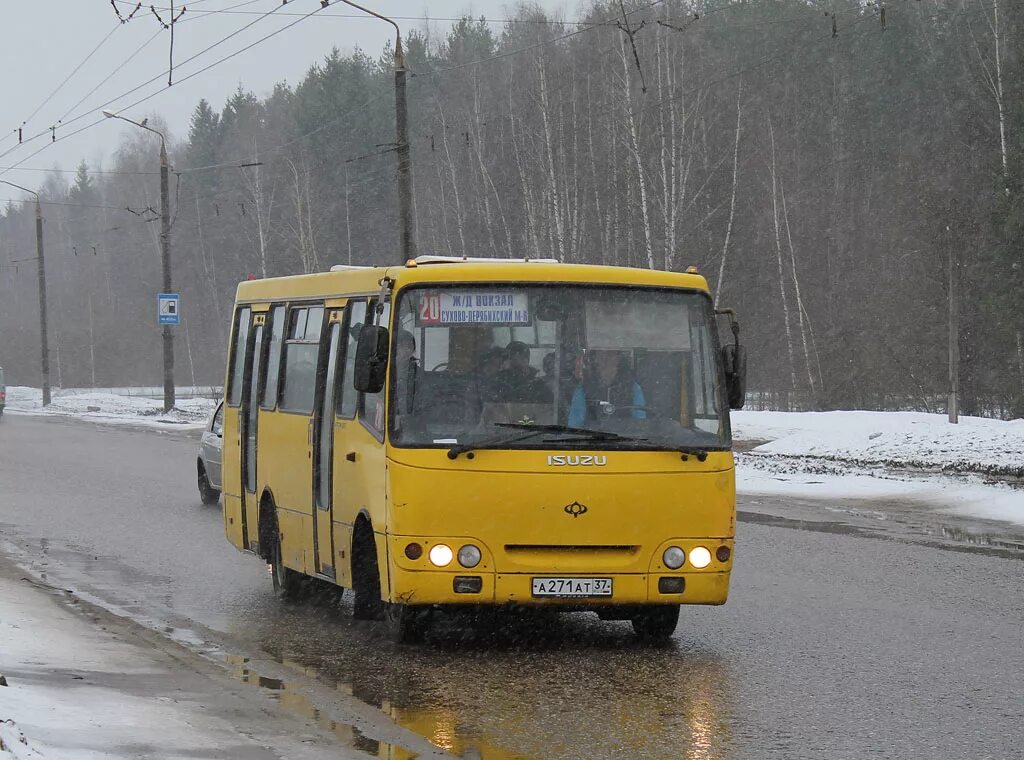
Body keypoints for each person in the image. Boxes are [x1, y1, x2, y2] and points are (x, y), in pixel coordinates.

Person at [567, 350, 646, 427]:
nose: (605, 359)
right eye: (601, 355)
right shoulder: (583, 389)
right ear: (595, 359)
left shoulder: (633, 388)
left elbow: (639, 426)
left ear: (618, 358)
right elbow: (575, 427)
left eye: (609, 355)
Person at [394, 330, 419, 414]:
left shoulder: (418, 373)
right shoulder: (385, 372)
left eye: (409, 347)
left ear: (413, 350)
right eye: (401, 346)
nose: (405, 351)